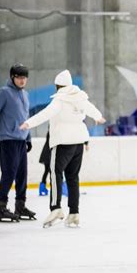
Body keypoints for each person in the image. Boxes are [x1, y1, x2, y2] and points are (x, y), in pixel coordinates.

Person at [20, 70, 105, 228]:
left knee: (55, 174)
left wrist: (28, 124)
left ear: (57, 86)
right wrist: (98, 117)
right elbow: (91, 109)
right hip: (79, 142)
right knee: (73, 177)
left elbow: (45, 114)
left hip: (63, 143)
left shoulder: (60, 99)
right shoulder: (80, 98)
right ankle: (74, 212)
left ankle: (56, 208)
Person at [0, 63, 36, 222]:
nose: (22, 80)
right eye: (19, 77)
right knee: (9, 174)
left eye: (24, 77)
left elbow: (26, 118)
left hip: (21, 141)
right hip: (8, 140)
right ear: (12, 77)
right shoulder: (4, 93)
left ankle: (20, 206)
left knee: (22, 175)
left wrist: (28, 138)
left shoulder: (26, 95)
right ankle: (0, 208)